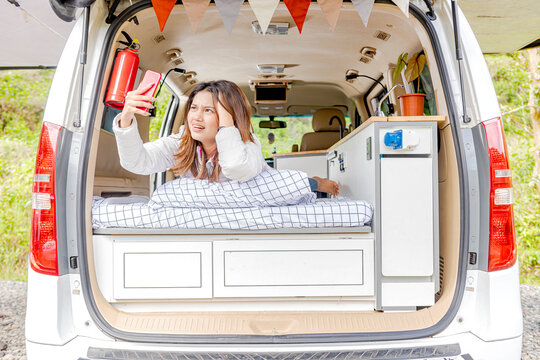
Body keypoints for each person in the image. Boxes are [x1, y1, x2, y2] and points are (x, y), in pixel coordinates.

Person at [113, 79, 339, 196]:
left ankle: (315, 182)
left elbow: (237, 169)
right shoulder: (181, 141)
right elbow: (137, 162)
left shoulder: (247, 142)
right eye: (193, 108)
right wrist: (126, 119)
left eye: (209, 110)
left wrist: (226, 122)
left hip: (276, 184)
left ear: (227, 116)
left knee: (298, 185)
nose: (196, 118)